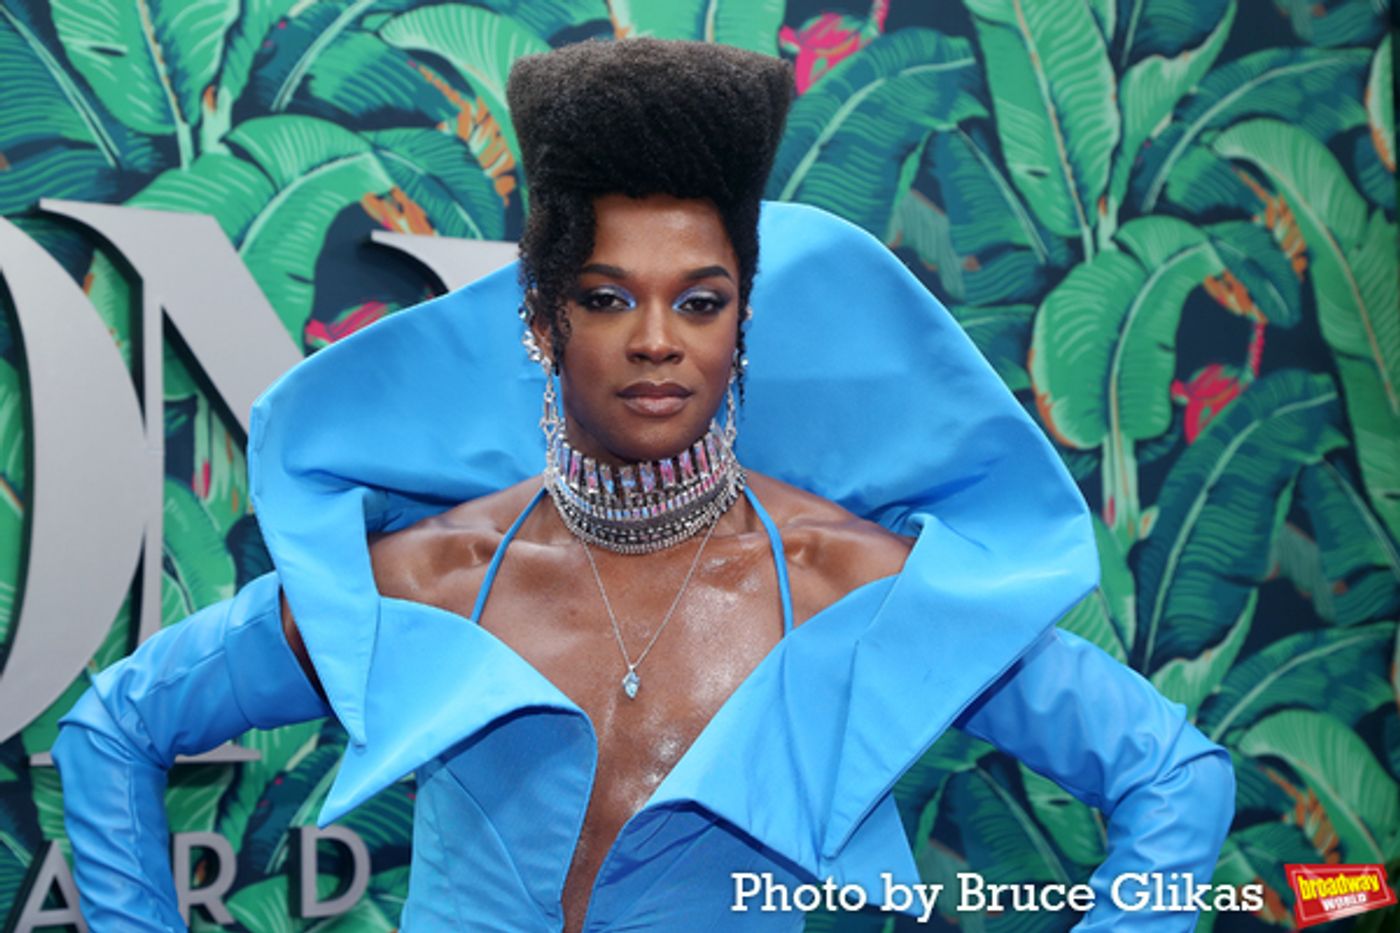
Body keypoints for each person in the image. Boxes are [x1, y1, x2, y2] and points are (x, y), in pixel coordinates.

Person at [52, 38, 1234, 932]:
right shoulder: (430, 577)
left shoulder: (852, 582)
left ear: (742, 322)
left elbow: (1170, 773)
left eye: (700, 300)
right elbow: (118, 723)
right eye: (610, 298)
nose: (658, 339)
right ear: (540, 318)